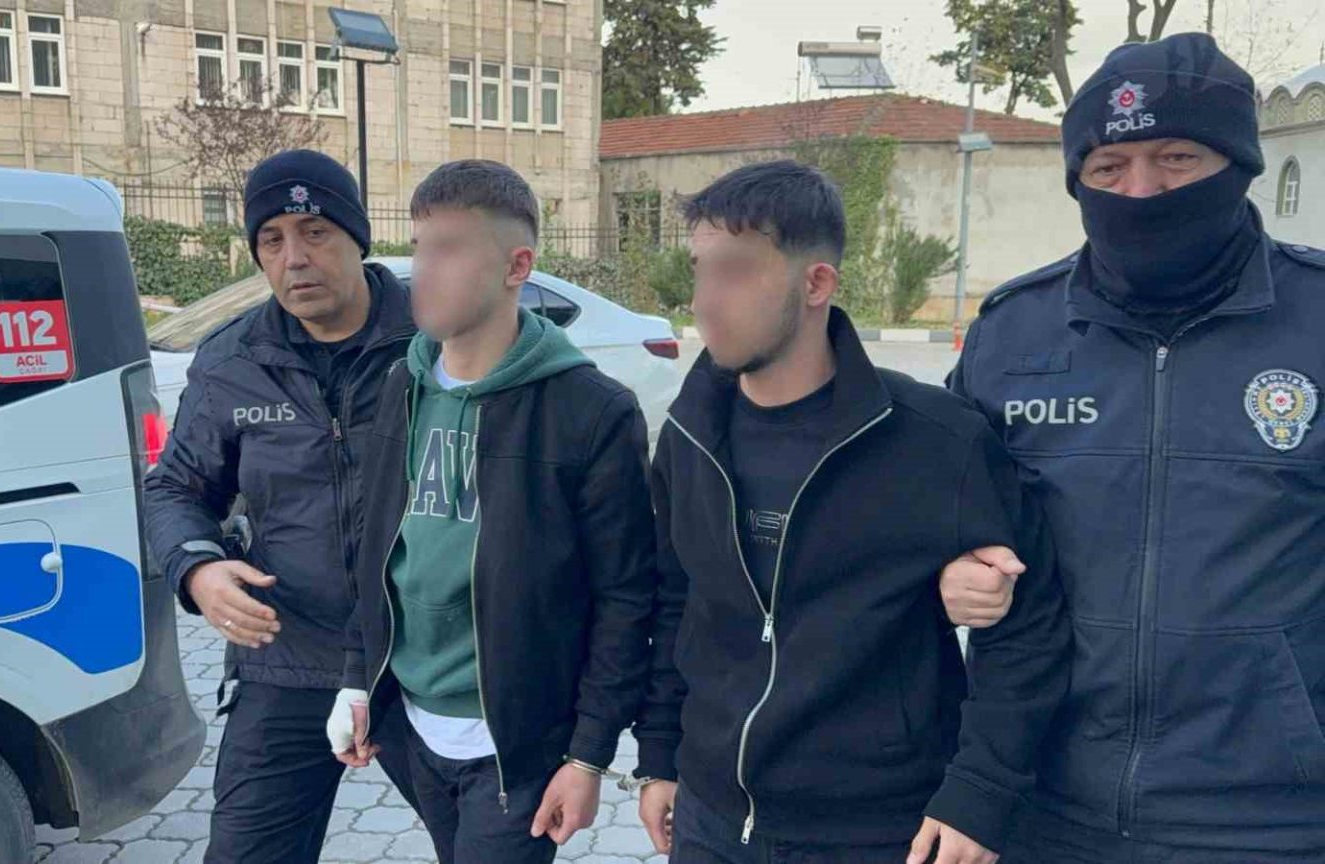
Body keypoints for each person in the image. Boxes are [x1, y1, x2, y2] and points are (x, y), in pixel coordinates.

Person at [941, 32, 1325, 862]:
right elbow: (932, 508)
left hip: (1275, 821)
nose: (1141, 190)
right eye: (1109, 167)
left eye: (1176, 158)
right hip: (1047, 806)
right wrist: (949, 564)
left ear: (1239, 163)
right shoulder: (1014, 333)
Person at [629, 160, 1072, 864]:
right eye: (700, 270)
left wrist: (980, 793)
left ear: (817, 284)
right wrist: (659, 757)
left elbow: (1031, 628)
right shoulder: (690, 432)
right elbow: (676, 601)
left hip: (877, 829)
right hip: (712, 818)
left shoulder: (937, 440)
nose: (704, 301)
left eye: (735, 272)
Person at [330, 159, 657, 864]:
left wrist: (588, 754)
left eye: (449, 249)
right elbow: (374, 544)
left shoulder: (590, 411)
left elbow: (627, 597)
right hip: (410, 727)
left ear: (517, 266)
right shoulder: (399, 385)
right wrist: (358, 674)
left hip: (517, 745)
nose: (423, 272)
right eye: (420, 247)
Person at [143, 149, 419, 864]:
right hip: (288, 655)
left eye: (315, 231)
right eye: (272, 239)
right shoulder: (232, 360)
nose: (294, 257)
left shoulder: (434, 340)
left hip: (426, 656)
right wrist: (198, 569)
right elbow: (174, 488)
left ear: (358, 237)